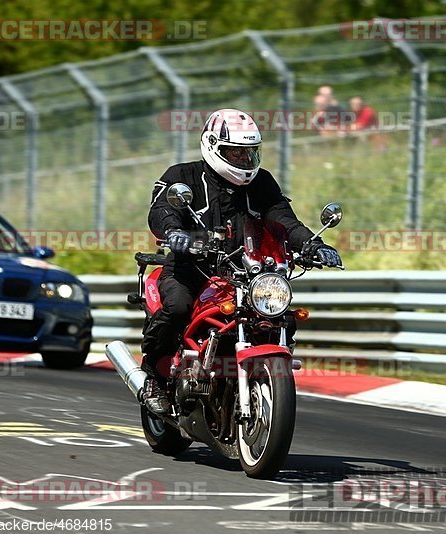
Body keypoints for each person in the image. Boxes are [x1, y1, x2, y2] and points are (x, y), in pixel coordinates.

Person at [139, 108, 342, 414]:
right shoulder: (182, 176)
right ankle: (154, 377)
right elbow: (161, 211)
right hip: (192, 270)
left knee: (281, 317)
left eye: (249, 153)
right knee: (178, 306)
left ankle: (267, 375)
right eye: (234, 153)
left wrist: (313, 244)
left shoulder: (262, 183)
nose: (243, 161)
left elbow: (283, 219)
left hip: (248, 274)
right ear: (212, 146)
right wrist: (174, 232)